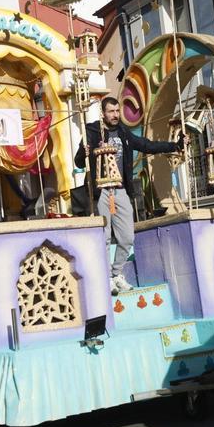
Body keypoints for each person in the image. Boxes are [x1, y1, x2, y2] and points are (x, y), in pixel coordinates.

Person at [74, 96, 183, 294]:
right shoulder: (91, 131)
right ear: (103, 113)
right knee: (105, 236)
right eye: (111, 112)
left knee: (126, 237)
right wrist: (84, 151)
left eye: (117, 111)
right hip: (102, 190)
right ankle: (105, 277)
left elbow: (146, 145)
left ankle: (116, 273)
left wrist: (174, 146)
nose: (115, 115)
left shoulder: (123, 131)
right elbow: (79, 162)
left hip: (121, 189)